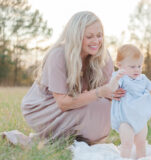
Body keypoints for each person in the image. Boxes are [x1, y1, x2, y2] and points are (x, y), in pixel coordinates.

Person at [19, 11, 125, 145]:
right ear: (76, 36)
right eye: (89, 36)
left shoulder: (102, 57)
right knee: (95, 107)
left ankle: (72, 140)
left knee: (104, 108)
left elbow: (108, 94)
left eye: (99, 36)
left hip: (75, 102)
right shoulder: (58, 56)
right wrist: (99, 93)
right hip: (42, 108)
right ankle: (44, 140)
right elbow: (63, 103)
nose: (96, 41)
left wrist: (120, 92)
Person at [109, 44, 151, 159]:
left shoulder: (142, 79)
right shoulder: (121, 77)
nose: (137, 69)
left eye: (139, 66)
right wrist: (116, 78)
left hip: (140, 118)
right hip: (125, 120)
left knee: (141, 143)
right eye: (132, 66)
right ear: (120, 66)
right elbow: (112, 88)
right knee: (127, 144)